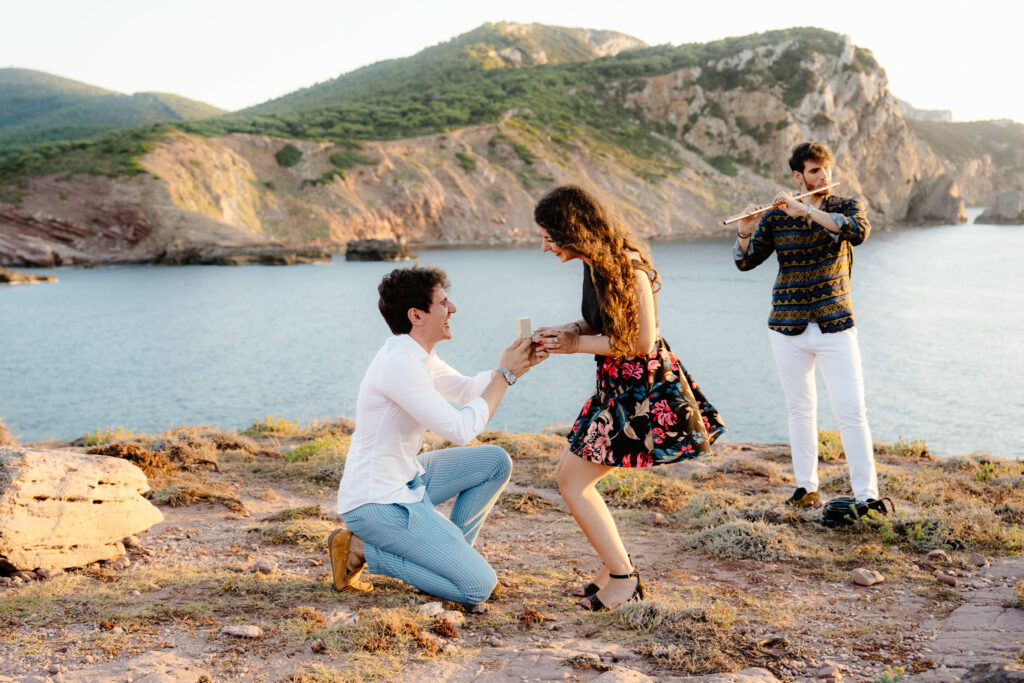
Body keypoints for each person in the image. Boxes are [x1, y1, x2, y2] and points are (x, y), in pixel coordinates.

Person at [533, 185, 725, 611]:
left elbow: (640, 341)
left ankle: (624, 577)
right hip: (616, 387)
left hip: (641, 392)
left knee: (573, 482)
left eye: (549, 237)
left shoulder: (628, 266)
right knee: (571, 474)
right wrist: (565, 332)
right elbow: (595, 321)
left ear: (574, 231)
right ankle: (611, 566)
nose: (544, 247)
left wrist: (574, 346)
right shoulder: (594, 263)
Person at [330, 265, 542, 605]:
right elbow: (460, 429)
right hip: (377, 503)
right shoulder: (399, 364)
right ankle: (361, 549)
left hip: (407, 480)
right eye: (444, 302)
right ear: (417, 315)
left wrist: (516, 365)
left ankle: (453, 561)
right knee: (476, 589)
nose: (453, 309)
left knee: (494, 462)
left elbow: (466, 390)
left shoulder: (416, 354)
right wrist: (505, 375)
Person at [733, 141, 880, 508]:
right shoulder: (776, 216)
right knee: (799, 409)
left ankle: (867, 496)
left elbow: (856, 232)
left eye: (825, 169)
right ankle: (805, 487)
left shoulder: (845, 206)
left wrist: (805, 211)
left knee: (851, 410)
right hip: (786, 326)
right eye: (814, 171)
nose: (823, 175)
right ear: (799, 175)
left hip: (835, 325)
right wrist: (746, 231)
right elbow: (746, 263)